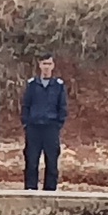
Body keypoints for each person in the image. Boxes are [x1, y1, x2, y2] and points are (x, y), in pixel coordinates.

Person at [21, 58, 69, 193]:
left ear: (53, 66)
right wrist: (26, 123)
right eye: (44, 64)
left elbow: (62, 107)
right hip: (34, 129)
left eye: (49, 64)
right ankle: (30, 189)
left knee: (52, 162)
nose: (46, 67)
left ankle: (50, 190)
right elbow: (26, 105)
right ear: (39, 65)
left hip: (51, 128)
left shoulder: (58, 86)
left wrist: (58, 124)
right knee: (31, 161)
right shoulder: (32, 85)